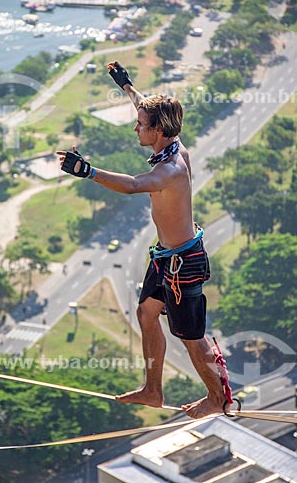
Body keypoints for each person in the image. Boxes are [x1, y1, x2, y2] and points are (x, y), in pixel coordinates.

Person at [57, 61, 230, 418]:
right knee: (146, 313)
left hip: (184, 265)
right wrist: (126, 85)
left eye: (142, 125)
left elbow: (133, 185)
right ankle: (153, 390)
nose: (136, 127)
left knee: (191, 336)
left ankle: (217, 397)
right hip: (166, 257)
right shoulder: (170, 141)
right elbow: (143, 106)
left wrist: (87, 170)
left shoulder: (170, 170)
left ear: (159, 131)